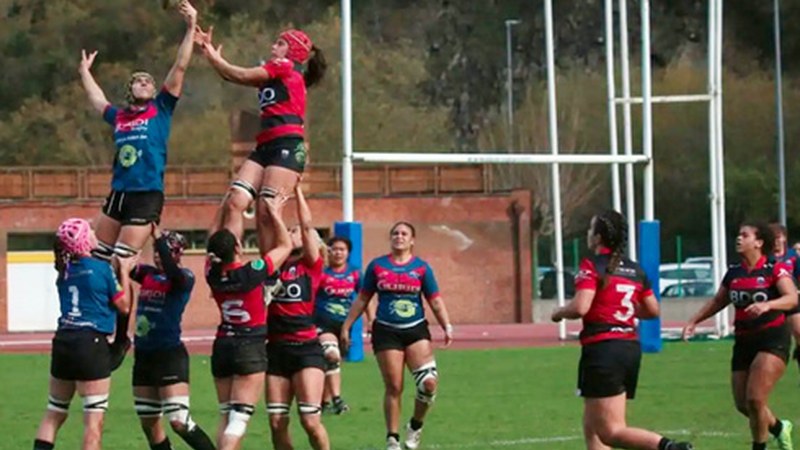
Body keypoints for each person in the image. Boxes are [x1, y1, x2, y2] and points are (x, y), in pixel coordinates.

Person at [78, 0, 198, 365]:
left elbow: (180, 66)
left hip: (146, 196)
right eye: (138, 80)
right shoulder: (119, 117)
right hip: (118, 195)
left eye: (148, 80)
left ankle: (121, 337)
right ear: (130, 89)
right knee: (96, 258)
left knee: (121, 263)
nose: (145, 82)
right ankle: (94, 322)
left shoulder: (161, 108)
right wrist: (84, 71)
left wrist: (191, 26)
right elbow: (97, 99)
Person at [551, 210, 694, 450]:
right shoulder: (635, 270)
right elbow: (652, 310)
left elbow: (580, 307)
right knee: (592, 418)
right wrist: (621, 311)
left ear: (598, 237)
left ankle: (670, 447)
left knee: (610, 431)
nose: (588, 233)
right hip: (628, 348)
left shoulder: (592, 265)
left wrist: (559, 312)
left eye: (591, 228)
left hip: (603, 348)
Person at [194, 24, 327, 254]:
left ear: (293, 51)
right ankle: (230, 262)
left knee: (267, 211)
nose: (273, 47)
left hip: (287, 145)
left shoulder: (285, 66)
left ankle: (269, 271)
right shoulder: (277, 74)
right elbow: (231, 76)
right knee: (235, 201)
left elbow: (239, 74)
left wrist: (214, 56)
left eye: (280, 43)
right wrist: (211, 54)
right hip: (265, 146)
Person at [684, 222, 797, 450]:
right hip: (744, 341)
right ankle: (778, 428)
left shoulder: (774, 269)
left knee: (755, 399)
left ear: (759, 242)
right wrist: (694, 321)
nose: (739, 238)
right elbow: (719, 301)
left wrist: (768, 305)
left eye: (745, 235)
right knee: (744, 404)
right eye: (738, 235)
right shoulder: (734, 272)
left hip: (772, 339)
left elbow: (792, 298)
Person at [341, 221, 454, 450]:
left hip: (415, 329)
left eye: (404, 233)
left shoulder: (421, 268)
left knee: (429, 383)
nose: (399, 236)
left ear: (412, 240)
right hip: (386, 331)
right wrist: (347, 326)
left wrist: (446, 325)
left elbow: (434, 300)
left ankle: (415, 425)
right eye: (395, 233)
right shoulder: (377, 266)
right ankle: (392, 439)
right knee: (394, 386)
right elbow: (363, 298)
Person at [32, 218, 134, 450]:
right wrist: (124, 272)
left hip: (63, 341)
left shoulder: (64, 272)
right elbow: (124, 306)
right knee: (93, 420)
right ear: (84, 241)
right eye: (90, 232)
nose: (94, 233)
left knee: (54, 412)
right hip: (91, 343)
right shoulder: (101, 269)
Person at [205, 194, 292, 450]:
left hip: (222, 345)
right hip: (249, 345)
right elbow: (285, 246)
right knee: (239, 418)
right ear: (238, 249)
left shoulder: (212, 274)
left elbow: (213, 239)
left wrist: (224, 207)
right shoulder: (251, 272)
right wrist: (275, 213)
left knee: (225, 414)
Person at [130, 225, 215, 450]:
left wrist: (158, 238)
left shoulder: (184, 278)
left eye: (163, 252)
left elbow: (172, 271)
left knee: (179, 421)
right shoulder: (147, 274)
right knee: (150, 424)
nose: (158, 256)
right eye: (156, 251)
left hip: (169, 355)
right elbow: (123, 264)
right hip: (143, 356)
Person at [266, 184, 330, 450]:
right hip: (276, 349)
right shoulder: (274, 263)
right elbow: (272, 233)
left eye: (296, 232)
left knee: (310, 421)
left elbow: (306, 225)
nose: (292, 232)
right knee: (277, 422)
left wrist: (298, 190)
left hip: (306, 349)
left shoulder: (311, 266)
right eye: (289, 230)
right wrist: (274, 212)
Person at [315, 236, 361, 415]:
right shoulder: (322, 272)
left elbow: (364, 297)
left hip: (344, 326)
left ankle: (324, 402)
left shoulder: (355, 273)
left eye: (342, 249)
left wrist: (372, 320)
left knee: (333, 362)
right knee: (331, 355)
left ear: (348, 253)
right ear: (329, 251)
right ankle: (337, 400)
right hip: (322, 323)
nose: (338, 253)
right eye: (335, 249)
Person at [769, 223, 800, 375]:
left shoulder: (793, 256)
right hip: (773, 301)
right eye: (773, 238)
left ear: (784, 238)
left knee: (799, 332)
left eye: (778, 237)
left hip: (792, 299)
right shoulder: (766, 257)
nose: (776, 241)